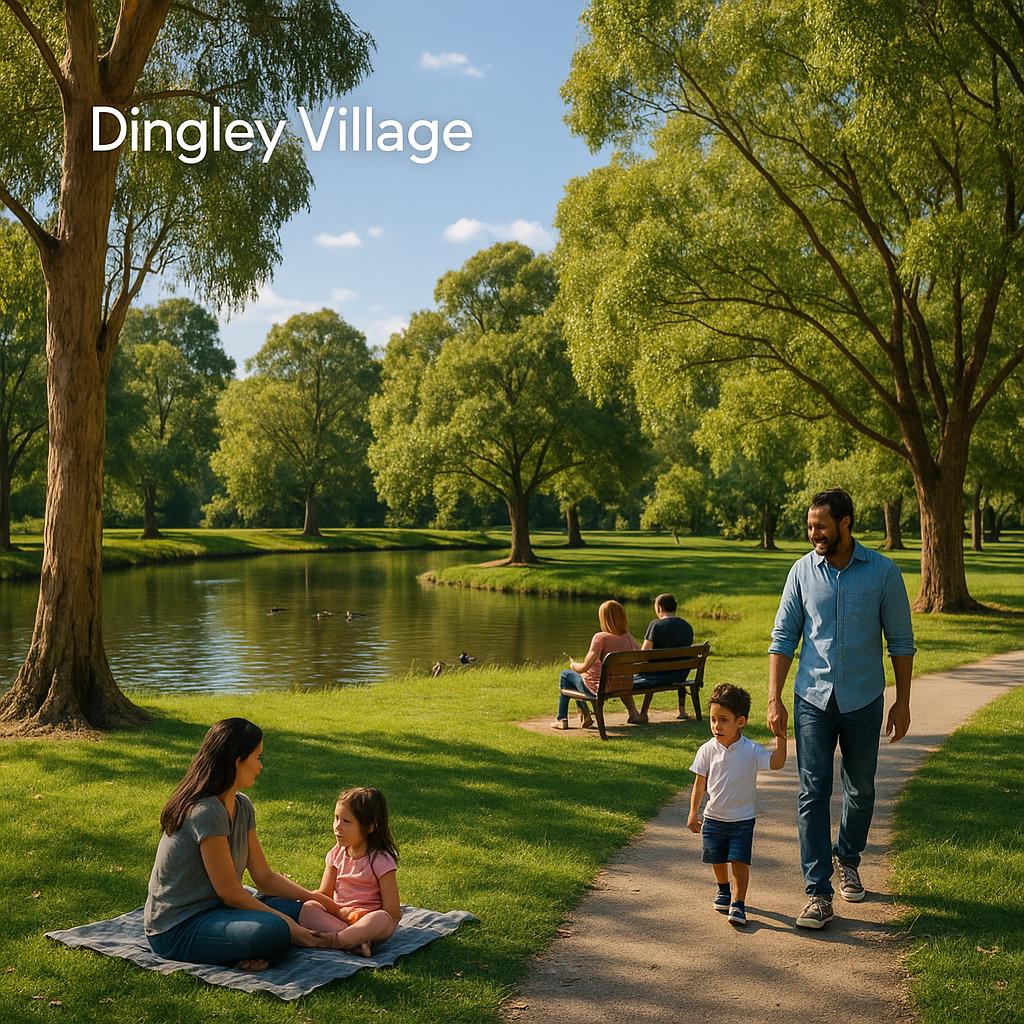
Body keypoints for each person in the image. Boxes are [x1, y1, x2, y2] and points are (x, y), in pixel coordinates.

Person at [768, 488, 915, 929]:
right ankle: (817, 892)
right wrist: (775, 698)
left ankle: (847, 857)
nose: (814, 533)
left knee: (862, 789)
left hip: (864, 698)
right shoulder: (800, 572)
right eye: (810, 526)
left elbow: (901, 644)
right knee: (813, 791)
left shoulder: (884, 573)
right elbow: (783, 639)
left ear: (845, 524)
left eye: (821, 526)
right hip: (811, 698)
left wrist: (902, 702)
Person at [144, 718, 341, 970]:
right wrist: (292, 929)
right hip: (178, 927)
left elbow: (263, 877)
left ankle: (251, 947)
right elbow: (230, 892)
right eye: (257, 757)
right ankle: (251, 946)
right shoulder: (206, 811)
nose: (260, 766)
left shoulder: (243, 805)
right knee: (275, 932)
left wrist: (316, 898)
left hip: (221, 910)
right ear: (238, 760)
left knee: (303, 909)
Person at [687, 684, 787, 926]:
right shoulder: (706, 750)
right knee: (717, 859)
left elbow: (775, 763)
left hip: (742, 819)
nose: (716, 726)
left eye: (723, 720)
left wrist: (780, 738)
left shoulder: (751, 750)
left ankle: (739, 904)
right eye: (712, 719)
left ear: (740, 722)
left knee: (740, 861)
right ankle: (723, 890)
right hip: (713, 818)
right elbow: (699, 785)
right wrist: (693, 813)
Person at [296, 787, 402, 957]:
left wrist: (361, 916)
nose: (338, 826)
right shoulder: (336, 854)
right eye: (336, 818)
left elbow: (393, 912)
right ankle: (354, 943)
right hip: (340, 920)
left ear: (370, 826)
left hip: (369, 923)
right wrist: (335, 910)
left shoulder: (381, 860)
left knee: (381, 918)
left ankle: (335, 941)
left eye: (346, 821)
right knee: (309, 908)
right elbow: (324, 894)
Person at [552, 600, 642, 729]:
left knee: (566, 675)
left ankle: (562, 719)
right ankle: (633, 712)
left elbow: (584, 667)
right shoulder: (628, 637)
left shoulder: (600, 638)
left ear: (604, 619)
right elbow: (639, 656)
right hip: (623, 685)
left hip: (599, 688)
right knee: (582, 678)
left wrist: (573, 664)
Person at [632, 593, 695, 721]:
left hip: (656, 675)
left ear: (659, 608)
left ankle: (644, 713)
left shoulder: (655, 625)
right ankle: (682, 711)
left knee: (651, 668)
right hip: (680, 674)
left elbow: (644, 653)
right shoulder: (687, 626)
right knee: (664, 665)